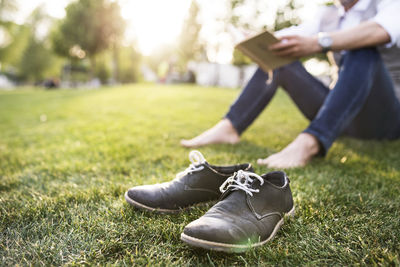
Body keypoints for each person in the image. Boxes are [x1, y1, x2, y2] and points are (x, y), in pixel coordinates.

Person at [181, 0, 400, 168]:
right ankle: (229, 127)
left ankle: (311, 141)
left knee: (362, 46)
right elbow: (293, 35)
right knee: (280, 60)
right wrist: (259, 40)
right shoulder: (328, 14)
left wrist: (318, 43)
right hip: (342, 118)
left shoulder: (389, 4)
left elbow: (380, 30)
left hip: (385, 116)